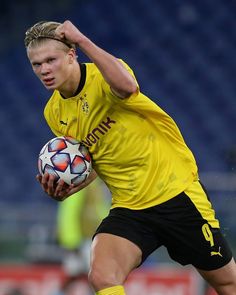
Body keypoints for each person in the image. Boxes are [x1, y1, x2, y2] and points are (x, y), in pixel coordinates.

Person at [24, 20, 236, 295]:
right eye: (36, 64)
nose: (44, 70)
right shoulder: (54, 113)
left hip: (175, 194)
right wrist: (68, 188)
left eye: (50, 60)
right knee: (102, 275)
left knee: (227, 284)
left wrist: (83, 39)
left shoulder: (106, 75)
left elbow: (127, 86)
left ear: (71, 55)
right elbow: (96, 160)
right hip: (130, 207)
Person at [55, 178, 109, 295]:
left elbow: (100, 211)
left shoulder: (96, 185)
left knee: (83, 274)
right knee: (82, 274)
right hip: (81, 240)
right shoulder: (79, 183)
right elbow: (69, 213)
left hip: (93, 239)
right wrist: (71, 242)